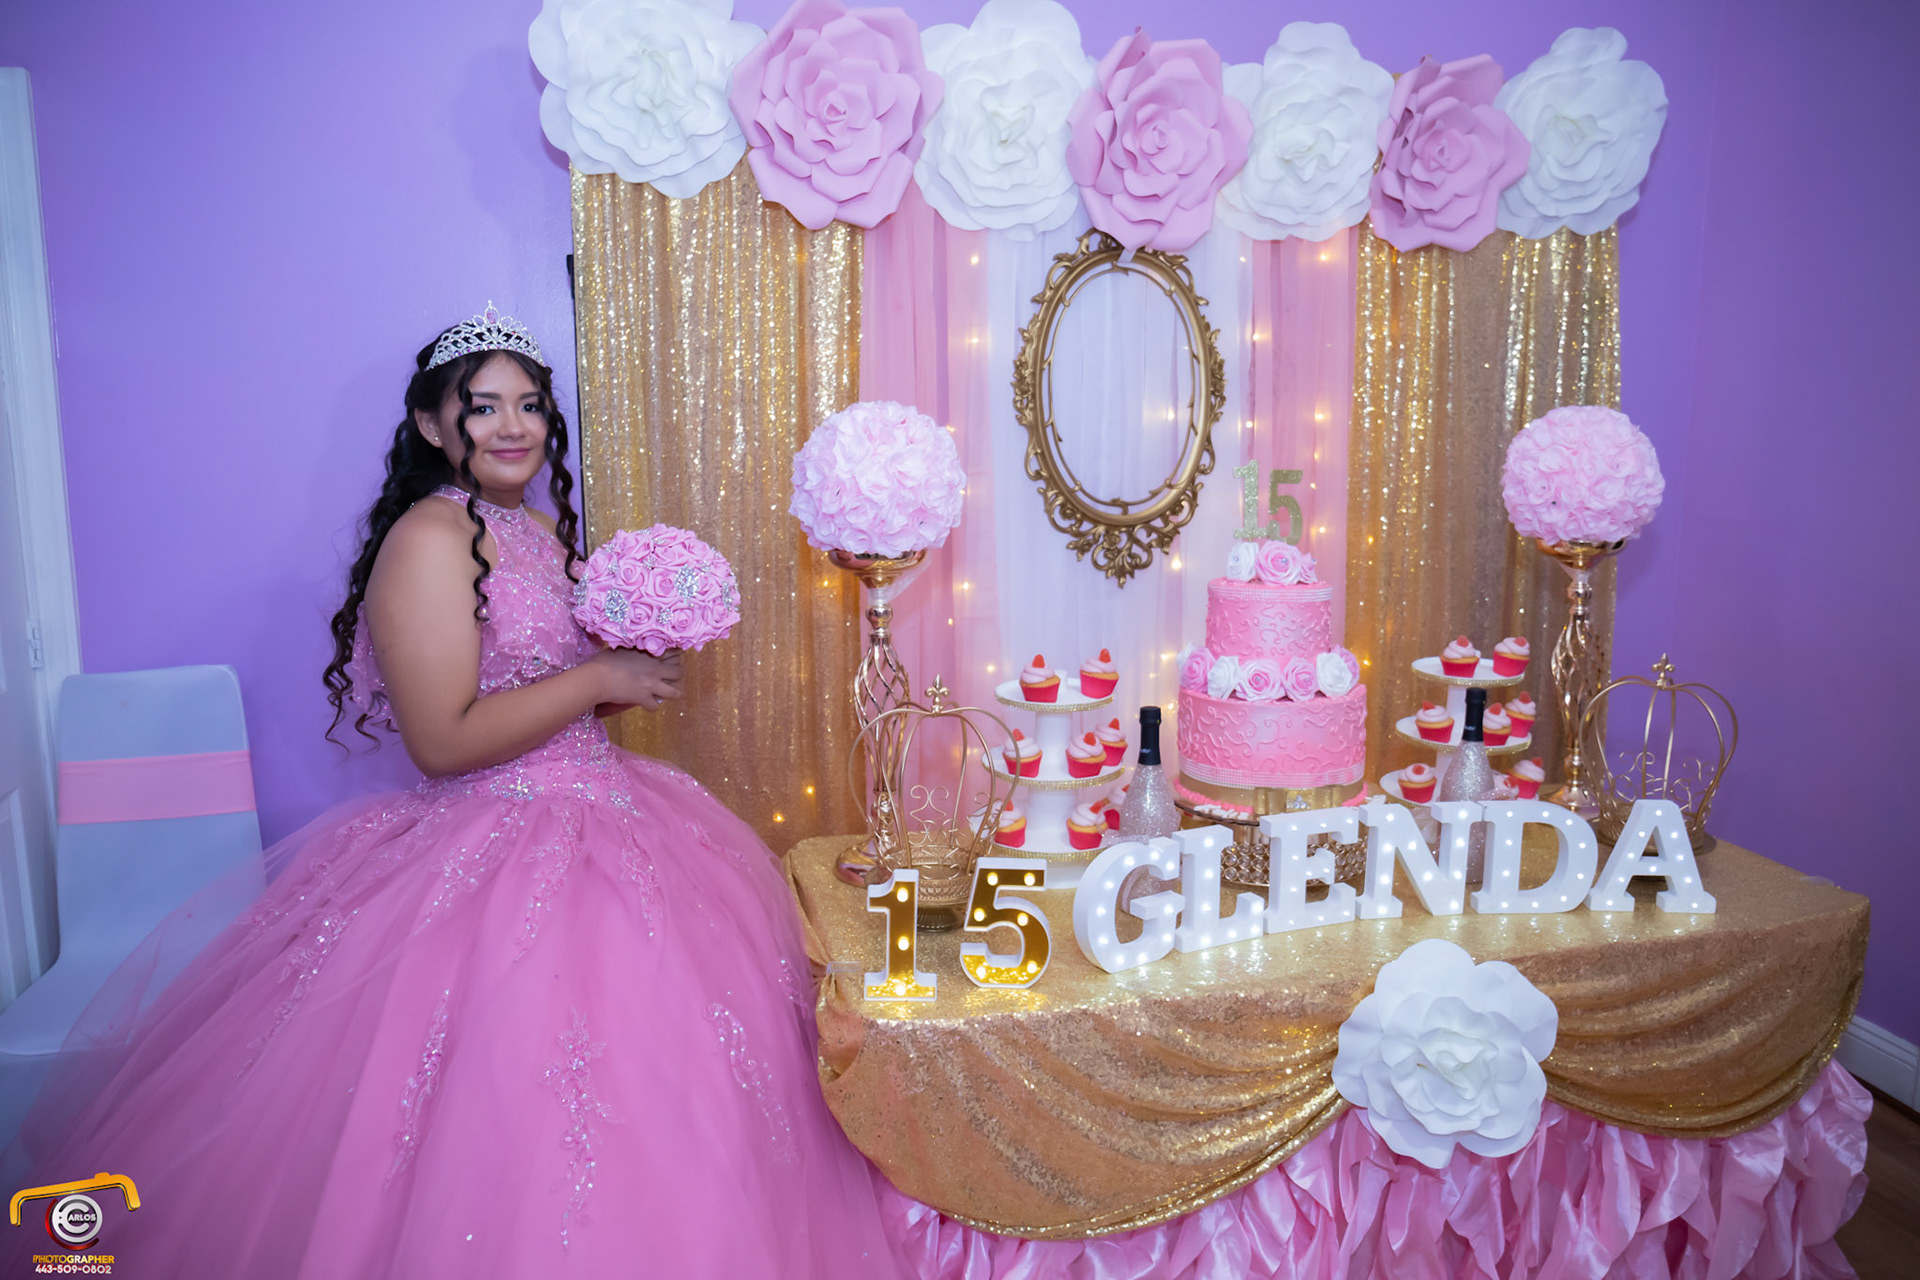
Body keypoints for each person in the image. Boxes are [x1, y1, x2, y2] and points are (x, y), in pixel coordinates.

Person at [2, 308, 904, 1278]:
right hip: (494, 844)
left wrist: (628, 670)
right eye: (482, 407)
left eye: (529, 404)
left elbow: (543, 701)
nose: (513, 425)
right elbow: (443, 739)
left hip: (614, 821)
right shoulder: (429, 538)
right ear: (433, 424)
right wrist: (599, 679)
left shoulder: (535, 530)